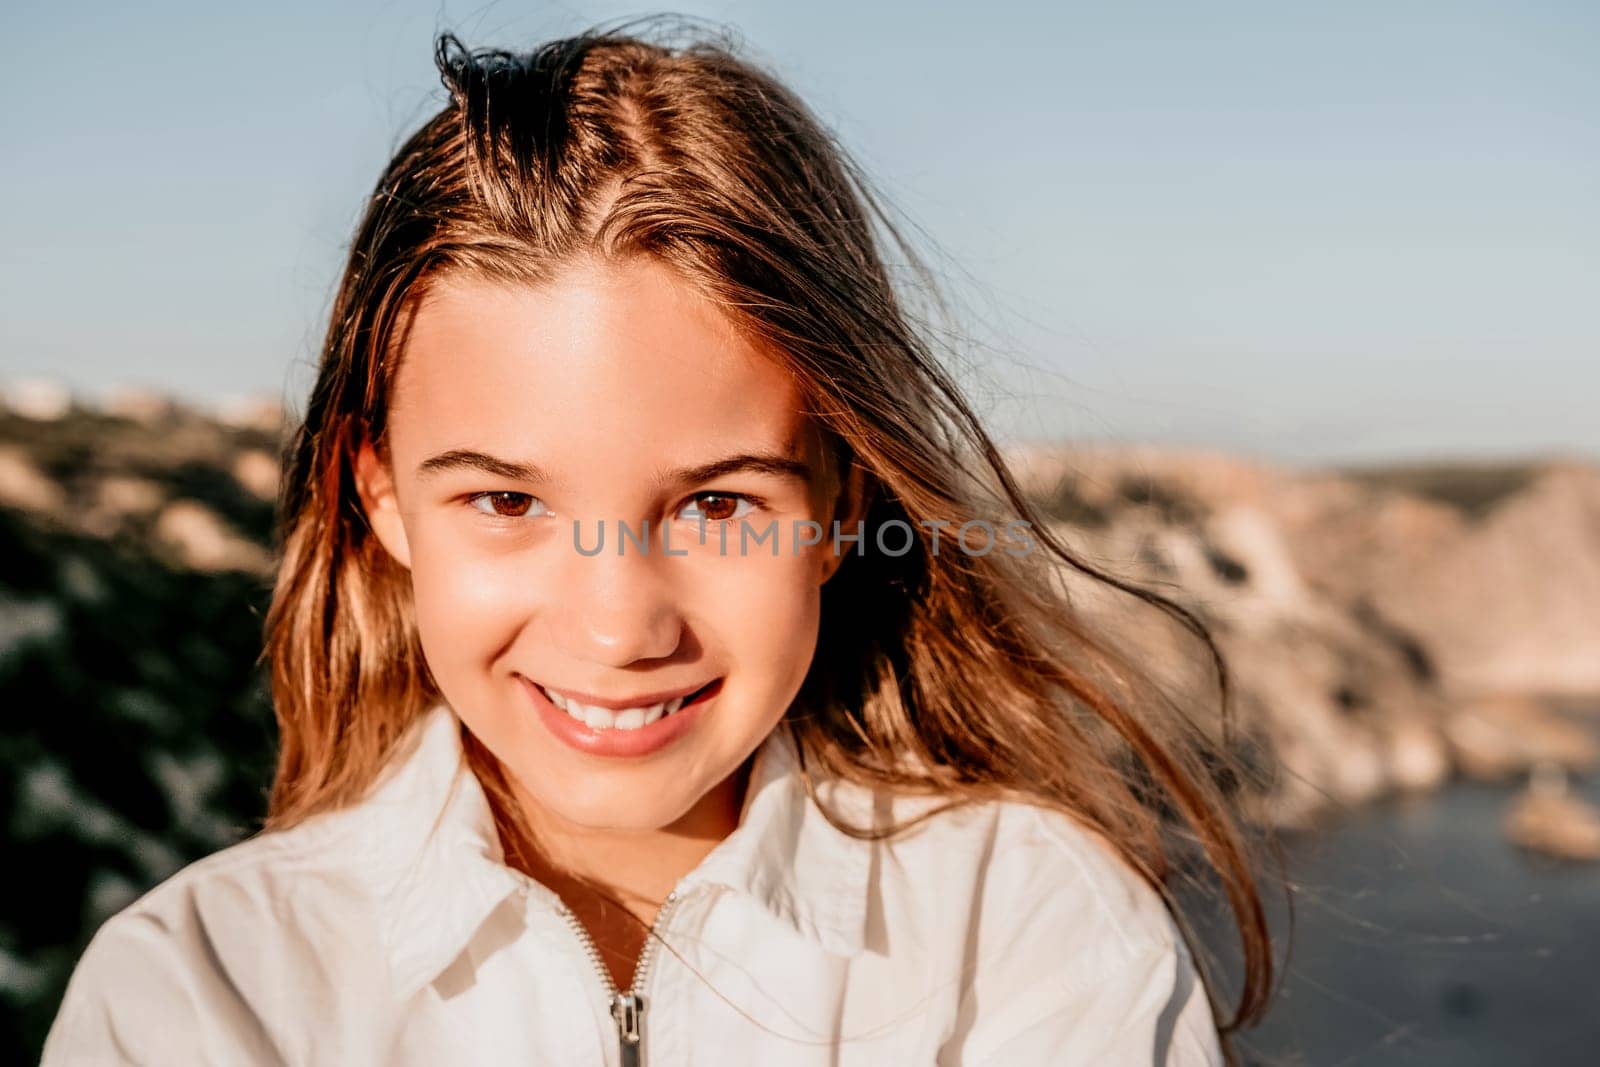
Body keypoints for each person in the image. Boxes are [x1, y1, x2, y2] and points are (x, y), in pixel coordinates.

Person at [42, 22, 1274, 1066]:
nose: (620, 624)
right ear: (382, 498)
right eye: (506, 502)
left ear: (840, 503)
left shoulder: (1024, 930)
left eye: (718, 504)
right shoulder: (204, 998)